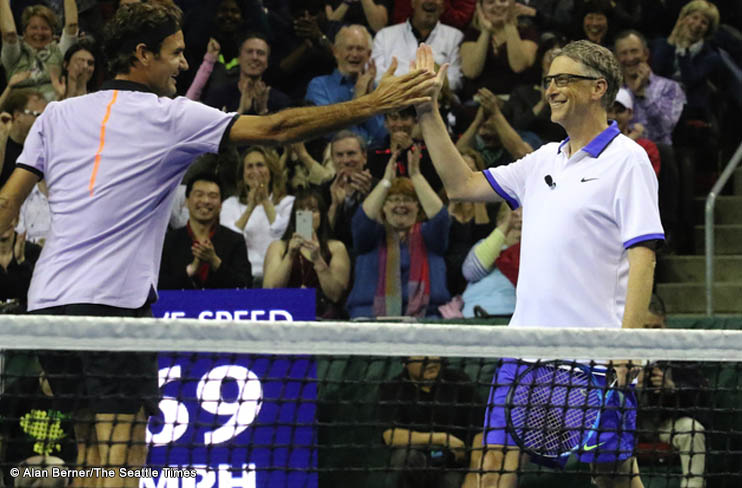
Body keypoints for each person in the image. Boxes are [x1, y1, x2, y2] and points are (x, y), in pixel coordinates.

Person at [0, 2, 435, 483]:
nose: (184, 63)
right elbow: (276, 128)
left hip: (49, 309)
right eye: (175, 53)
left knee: (90, 452)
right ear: (143, 55)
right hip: (110, 307)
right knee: (123, 453)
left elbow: (5, 204)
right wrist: (371, 103)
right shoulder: (170, 116)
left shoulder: (56, 114)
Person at [411, 40, 663, 487]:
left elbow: (642, 255)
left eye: (563, 79)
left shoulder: (629, 159)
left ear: (598, 88)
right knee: (491, 460)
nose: (550, 89)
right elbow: (461, 184)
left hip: (594, 356)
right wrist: (428, 112)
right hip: (525, 350)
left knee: (613, 475)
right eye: (548, 80)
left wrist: (628, 342)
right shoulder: (542, 160)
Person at [345, 148, 451, 318]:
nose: (401, 205)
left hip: (426, 318)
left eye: (408, 199)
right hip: (370, 317)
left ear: (418, 207)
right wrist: (386, 181)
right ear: (383, 207)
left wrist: (416, 176)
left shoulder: (430, 235)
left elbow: (440, 217)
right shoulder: (371, 236)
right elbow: (362, 218)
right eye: (393, 200)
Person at [635, 294, 709, 488]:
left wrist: (672, 388)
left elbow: (699, 392)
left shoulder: (680, 351)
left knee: (693, 430)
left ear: (665, 324)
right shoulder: (622, 349)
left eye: (656, 328)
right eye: (646, 328)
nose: (651, 334)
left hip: (666, 423)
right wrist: (632, 386)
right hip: (630, 424)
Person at [378, 356, 485, 488]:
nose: (430, 360)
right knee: (404, 457)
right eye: (421, 353)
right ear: (405, 362)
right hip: (418, 461)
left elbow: (480, 431)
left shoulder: (458, 381)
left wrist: (473, 473)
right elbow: (390, 435)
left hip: (452, 467)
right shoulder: (393, 388)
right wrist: (442, 438)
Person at [263, 188, 351, 319]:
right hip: (286, 315)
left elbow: (336, 294)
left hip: (324, 317)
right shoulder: (278, 247)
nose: (307, 216)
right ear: (294, 217)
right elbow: (270, 291)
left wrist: (318, 259)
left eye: (313, 210)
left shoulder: (336, 248)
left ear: (321, 215)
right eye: (301, 211)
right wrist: (290, 255)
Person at [159, 172, 251, 290]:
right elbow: (159, 285)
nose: (206, 200)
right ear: (187, 201)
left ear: (221, 205)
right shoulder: (169, 241)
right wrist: (191, 270)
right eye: (199, 194)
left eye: (213, 196)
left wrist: (215, 261)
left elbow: (245, 285)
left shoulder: (235, 241)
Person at [220, 146, 294, 286]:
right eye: (249, 166)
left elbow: (284, 236)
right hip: (241, 279)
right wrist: (250, 208)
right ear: (243, 175)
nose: (255, 171)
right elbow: (227, 242)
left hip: (279, 279)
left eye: (260, 165)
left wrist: (265, 202)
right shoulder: (230, 204)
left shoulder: (289, 203)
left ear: (271, 171)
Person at [306, 24, 386, 146]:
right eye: (349, 48)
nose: (354, 54)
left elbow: (382, 136)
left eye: (360, 49)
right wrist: (358, 100)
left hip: (373, 155)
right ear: (336, 52)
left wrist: (369, 96)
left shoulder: (375, 88)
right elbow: (329, 133)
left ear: (369, 54)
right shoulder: (319, 86)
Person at [372, 0, 464, 93]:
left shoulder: (455, 37)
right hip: (393, 98)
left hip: (438, 99)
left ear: (443, 7)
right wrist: (408, 89)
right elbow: (378, 78)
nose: (430, 1)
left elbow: (455, 80)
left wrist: (424, 88)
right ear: (413, 3)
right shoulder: (385, 35)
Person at [614, 30, 685, 147]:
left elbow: (665, 128)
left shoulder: (670, 87)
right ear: (616, 59)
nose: (630, 58)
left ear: (646, 54)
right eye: (624, 53)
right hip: (621, 151)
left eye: (634, 51)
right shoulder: (611, 91)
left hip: (658, 152)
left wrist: (642, 94)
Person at [193, 33, 291, 115]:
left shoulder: (280, 101)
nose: (255, 57)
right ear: (239, 58)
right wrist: (241, 111)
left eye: (260, 53)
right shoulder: (218, 96)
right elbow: (210, 130)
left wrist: (262, 111)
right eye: (249, 52)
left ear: (267, 62)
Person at [459, 0, 539, 102]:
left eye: (503, 1)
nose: (497, 5)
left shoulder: (526, 31)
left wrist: (509, 24)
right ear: (480, 8)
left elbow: (519, 66)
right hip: (478, 101)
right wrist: (486, 31)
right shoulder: (473, 33)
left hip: (515, 103)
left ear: (513, 3)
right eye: (490, 2)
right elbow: (470, 72)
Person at [0, 0, 79, 101]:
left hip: (52, 107)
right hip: (20, 108)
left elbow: (72, 25)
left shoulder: (59, 51)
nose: (39, 33)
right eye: (34, 28)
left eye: (45, 28)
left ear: (52, 33)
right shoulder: (14, 55)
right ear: (24, 33)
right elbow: (9, 33)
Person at [460, 203, 521, 317]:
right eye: (515, 227)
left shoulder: (534, 253)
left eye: (522, 228)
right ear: (499, 222)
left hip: (513, 316)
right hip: (477, 314)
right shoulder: (485, 245)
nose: (519, 233)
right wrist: (507, 225)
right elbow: (470, 272)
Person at [325, 130, 375, 254]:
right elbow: (303, 235)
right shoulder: (313, 190)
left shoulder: (384, 188)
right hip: (330, 260)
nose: (346, 160)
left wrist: (370, 199)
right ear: (332, 159)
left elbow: (393, 234)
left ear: (364, 157)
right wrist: (334, 207)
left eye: (351, 153)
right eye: (339, 155)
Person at [0, 89, 47, 188]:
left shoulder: (44, 146)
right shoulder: (3, 144)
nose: (44, 122)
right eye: (38, 115)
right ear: (18, 115)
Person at [324, 0, 391, 33]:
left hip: (369, 41)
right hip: (340, 40)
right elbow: (331, 25)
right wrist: (347, 2)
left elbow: (378, 27)